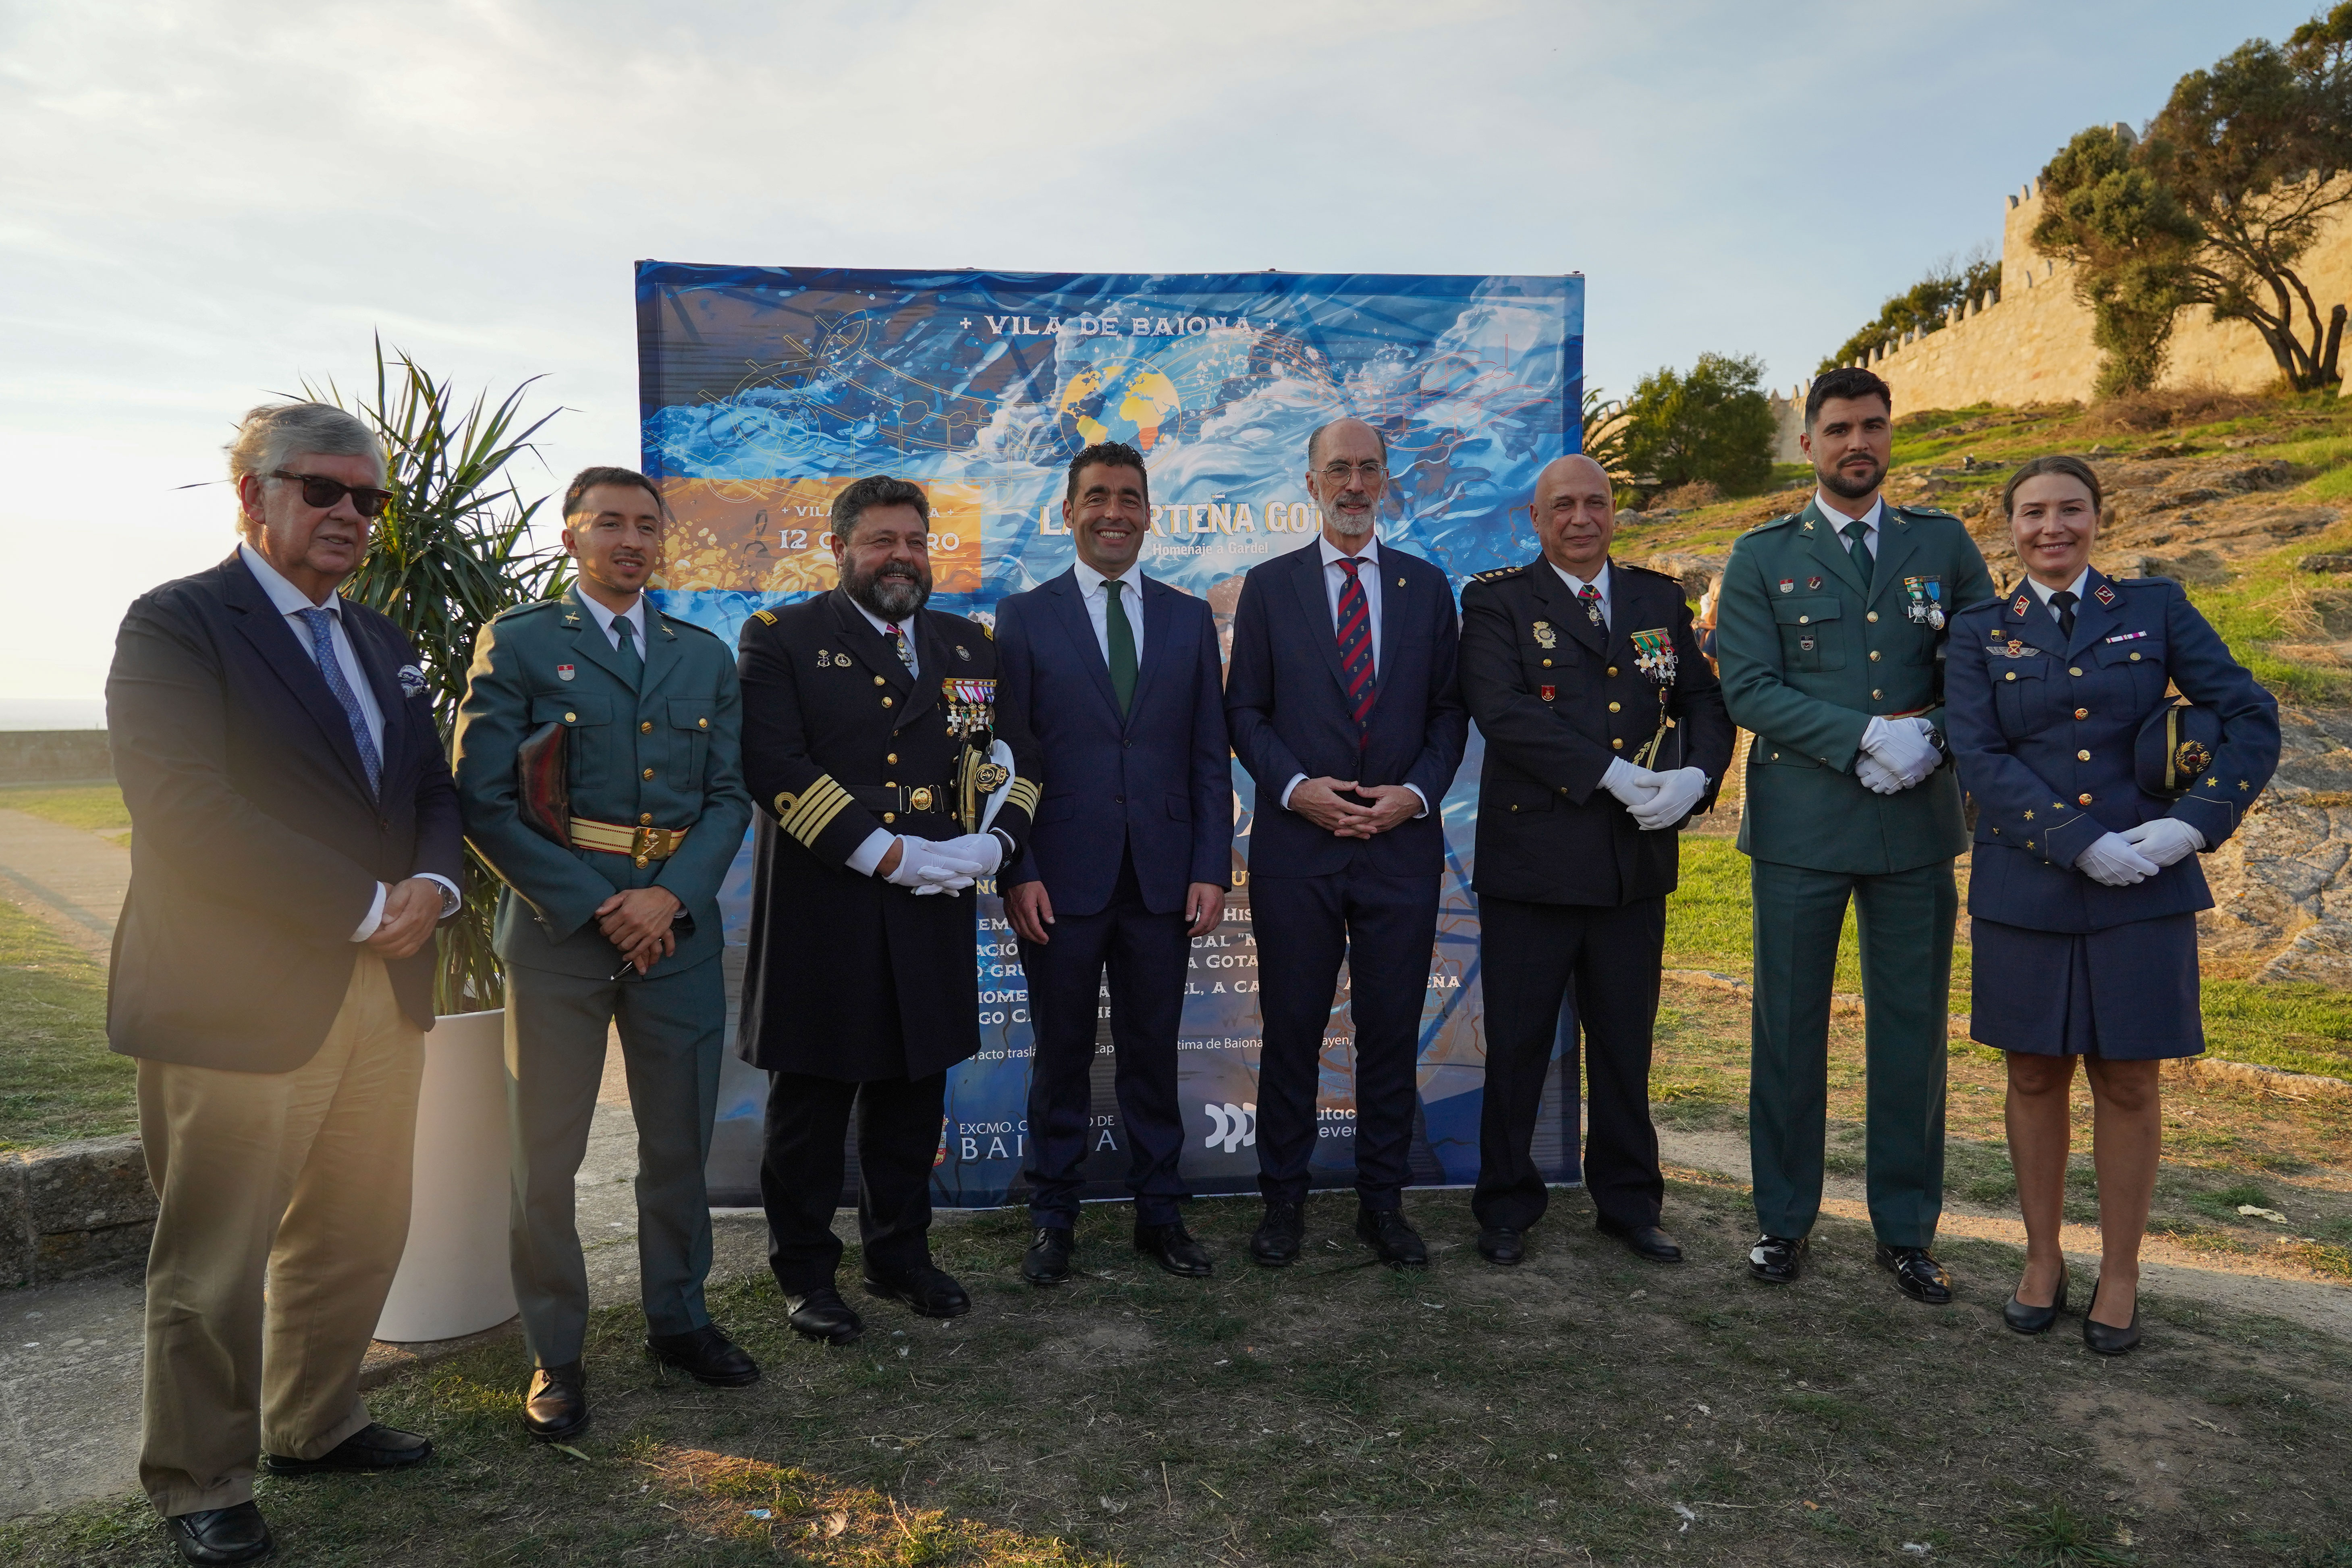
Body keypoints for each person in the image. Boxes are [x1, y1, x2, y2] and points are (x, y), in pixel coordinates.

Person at [106, 403, 461, 1566]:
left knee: (359, 1225)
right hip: (238, 994)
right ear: (251, 492)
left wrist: (432, 884)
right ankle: (201, 1476)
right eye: (323, 489)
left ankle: (315, 1420)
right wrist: (361, 903)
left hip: (384, 986)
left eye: (370, 497)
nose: (351, 513)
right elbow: (183, 807)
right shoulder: (177, 624)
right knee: (215, 1259)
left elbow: (430, 788)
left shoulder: (381, 637)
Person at [453, 467, 759, 1443]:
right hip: (561, 935)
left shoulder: (700, 655)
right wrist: (602, 905)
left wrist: (669, 896)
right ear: (571, 537)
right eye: (609, 523)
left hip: (676, 931)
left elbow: (729, 796)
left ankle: (680, 1318)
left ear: (663, 542)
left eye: (646, 526)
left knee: (677, 1142)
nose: (630, 540)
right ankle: (556, 1350)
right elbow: (483, 799)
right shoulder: (521, 641)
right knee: (546, 1152)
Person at [1946, 455, 2277, 1353]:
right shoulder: (1980, 630)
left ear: (2098, 517)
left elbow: (2250, 715)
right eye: (2032, 513)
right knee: (2032, 1071)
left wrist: (2192, 826)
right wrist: (2072, 838)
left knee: (2129, 1077)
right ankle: (2042, 1257)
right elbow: (1978, 752)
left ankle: (2121, 1269)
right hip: (2028, 880)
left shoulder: (2154, 608)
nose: (2052, 528)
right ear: (2009, 527)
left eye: (2070, 510)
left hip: (2143, 877)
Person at [1713, 366, 1996, 1303]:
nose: (1857, 443)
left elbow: (1986, 669)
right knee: (1788, 1030)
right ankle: (1783, 1219)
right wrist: (1866, 736)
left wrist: (1932, 738)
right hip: (1801, 825)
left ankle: (1907, 1230)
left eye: (1872, 426)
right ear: (1808, 443)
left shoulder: (1942, 543)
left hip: (1914, 823)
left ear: (1890, 434)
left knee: (1912, 1033)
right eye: (1837, 429)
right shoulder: (1761, 556)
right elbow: (1749, 686)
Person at [735, 475, 1041, 1342]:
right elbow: (773, 762)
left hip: (936, 895)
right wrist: (884, 852)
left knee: (914, 1088)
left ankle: (899, 1254)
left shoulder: (968, 644)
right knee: (812, 1100)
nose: (901, 557)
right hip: (826, 896)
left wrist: (996, 844)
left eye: (914, 541)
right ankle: (805, 1271)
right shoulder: (782, 637)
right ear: (839, 549)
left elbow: (1019, 757)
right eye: (880, 541)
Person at [1458, 454, 1734, 1266]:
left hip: (1629, 863)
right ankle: (1506, 1205)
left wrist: (1696, 777)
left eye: (1596, 503)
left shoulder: (1656, 599)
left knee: (1624, 1043)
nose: (1581, 518)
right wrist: (1609, 774)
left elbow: (1703, 700)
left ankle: (1628, 1202)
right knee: (1517, 1044)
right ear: (1535, 519)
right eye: (1563, 506)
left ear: (1614, 512)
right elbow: (1501, 709)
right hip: (1533, 863)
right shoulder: (1498, 601)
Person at [1224, 417, 1469, 1267]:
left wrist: (1416, 795)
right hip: (1298, 849)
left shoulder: (1426, 588)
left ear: (1386, 480)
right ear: (1311, 482)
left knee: (1391, 1033)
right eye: (1338, 469)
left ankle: (1382, 1203)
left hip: (1400, 850)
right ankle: (1282, 1204)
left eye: (1369, 469)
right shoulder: (1269, 587)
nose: (1354, 484)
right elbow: (1244, 711)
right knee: (1292, 1031)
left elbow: (1449, 712)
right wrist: (1298, 789)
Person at [996, 442, 1233, 1283]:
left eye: (1129, 497)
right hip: (1058, 878)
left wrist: (1212, 865)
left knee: (1151, 1052)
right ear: (1068, 512)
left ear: (1148, 513)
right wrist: (1017, 868)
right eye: (1097, 496)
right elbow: (1006, 757)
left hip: (1164, 877)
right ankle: (1052, 1217)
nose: (1114, 512)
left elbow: (1209, 754)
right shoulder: (1023, 616)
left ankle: (1159, 1213)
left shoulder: (1187, 617)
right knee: (1060, 1053)